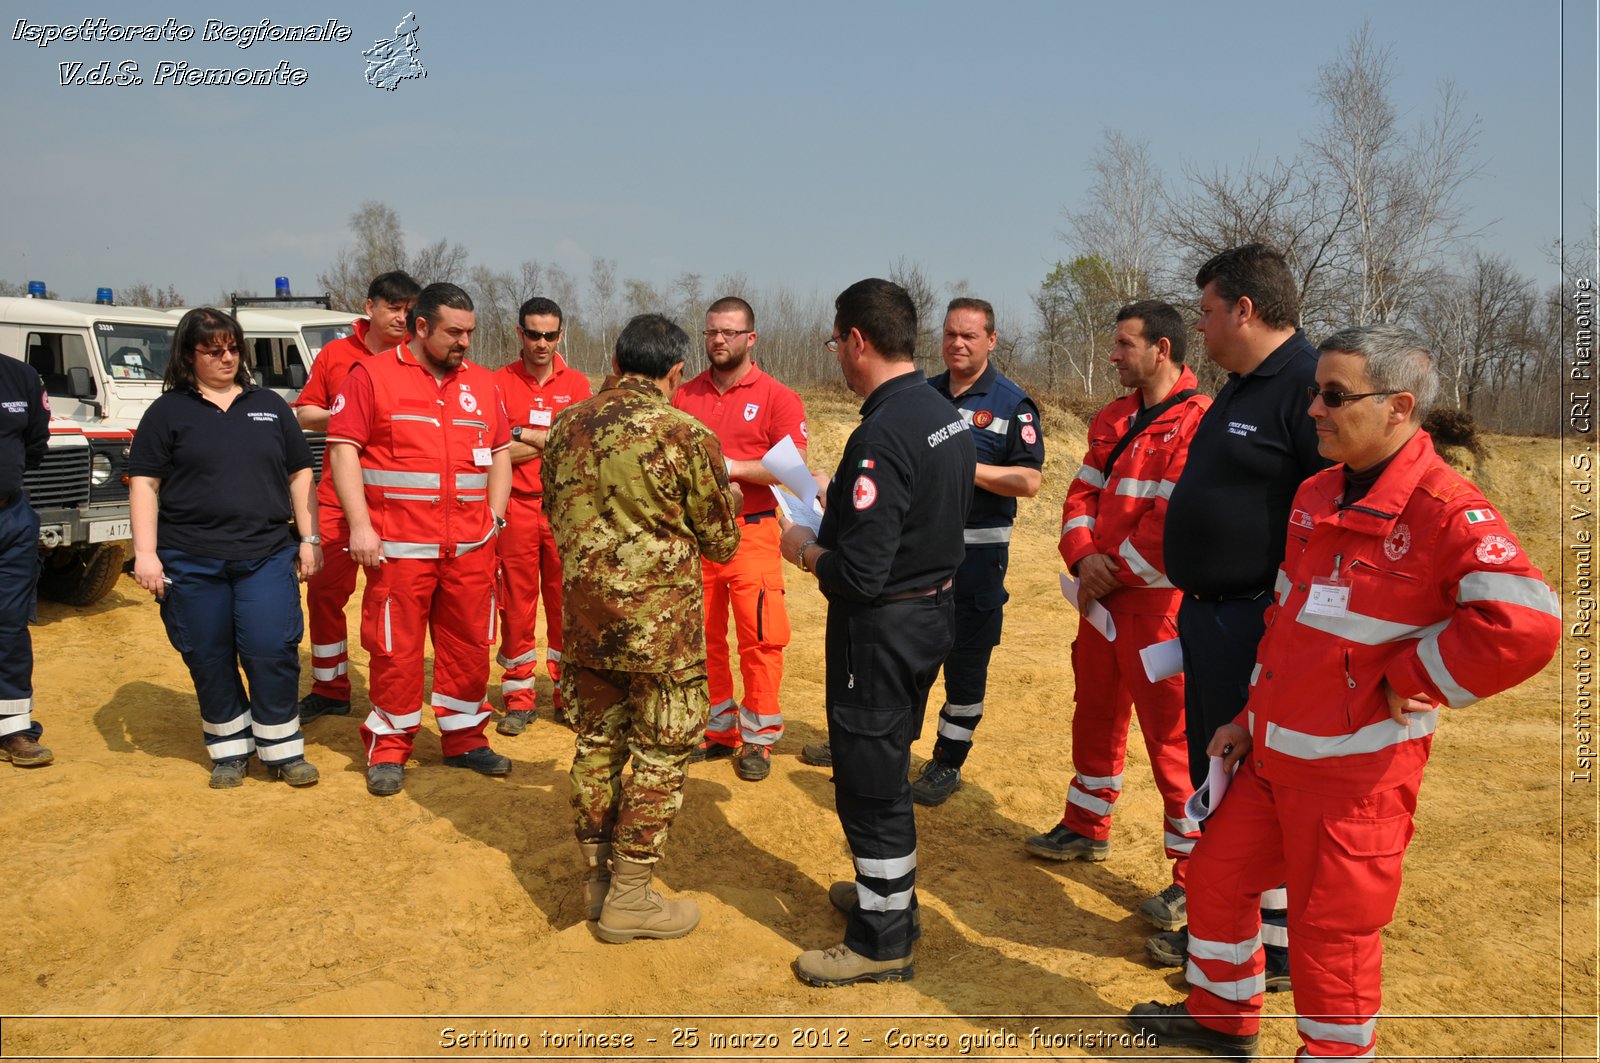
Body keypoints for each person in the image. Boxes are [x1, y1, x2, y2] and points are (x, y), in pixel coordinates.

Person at [1128, 324, 1560, 1060]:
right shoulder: (1316, 493)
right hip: (1272, 757)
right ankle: (1222, 1022)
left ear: (1397, 406)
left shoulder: (1444, 509)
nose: (1314, 410)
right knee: (1217, 877)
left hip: (1356, 780)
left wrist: (1414, 675)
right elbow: (1289, 624)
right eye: (1312, 393)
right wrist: (1248, 715)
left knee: (1331, 938)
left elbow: (1526, 623)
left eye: (1332, 395)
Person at [778, 278, 975, 986]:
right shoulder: (939, 411)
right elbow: (914, 512)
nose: (836, 354)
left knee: (869, 780)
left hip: (883, 627)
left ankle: (882, 936)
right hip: (929, 613)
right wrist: (849, 506)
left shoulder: (882, 431)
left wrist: (803, 545)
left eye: (836, 342)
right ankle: (887, 896)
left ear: (857, 340)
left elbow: (858, 573)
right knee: (885, 763)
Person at [1152, 243, 1331, 979]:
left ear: (1244, 311)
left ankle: (1266, 947)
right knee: (1219, 778)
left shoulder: (1307, 386)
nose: (1202, 325)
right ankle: (1239, 930)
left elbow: (1326, 521)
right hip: (1209, 616)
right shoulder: (1239, 383)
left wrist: (1280, 626)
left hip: (1257, 620)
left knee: (1251, 784)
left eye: (1207, 311)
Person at [542, 313, 741, 942]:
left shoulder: (565, 425)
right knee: (660, 752)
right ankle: (631, 897)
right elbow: (720, 542)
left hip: (585, 624)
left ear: (618, 359)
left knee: (596, 747)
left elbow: (556, 513)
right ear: (676, 371)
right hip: (661, 636)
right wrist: (729, 503)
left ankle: (597, 885)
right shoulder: (685, 433)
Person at [1027, 300, 1208, 930]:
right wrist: (1082, 558)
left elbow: (1174, 521)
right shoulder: (1112, 418)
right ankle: (1086, 824)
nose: (1113, 355)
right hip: (1100, 600)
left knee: (1175, 742)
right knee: (1095, 712)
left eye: (1124, 344)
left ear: (1162, 349)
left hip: (1158, 607)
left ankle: (1193, 878)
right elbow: (1080, 495)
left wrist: (1110, 569)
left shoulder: (1199, 423)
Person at [326, 283, 513, 797]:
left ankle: (464, 738)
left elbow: (499, 452)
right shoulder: (372, 376)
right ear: (422, 326)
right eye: (455, 332)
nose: (465, 343)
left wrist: (494, 519)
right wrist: (360, 525)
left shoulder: (484, 382)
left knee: (470, 647)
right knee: (395, 651)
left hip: (471, 550)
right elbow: (344, 450)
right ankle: (389, 745)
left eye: (470, 333)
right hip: (400, 550)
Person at [129, 308, 322, 788]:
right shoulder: (167, 412)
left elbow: (300, 472)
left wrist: (309, 538)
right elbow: (144, 484)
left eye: (233, 348)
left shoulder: (270, 406)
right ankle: (230, 750)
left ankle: (281, 749)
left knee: (270, 647)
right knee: (208, 654)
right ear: (188, 355)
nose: (226, 357)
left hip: (265, 554)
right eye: (213, 350)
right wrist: (146, 554)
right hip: (190, 559)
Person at [908, 297, 1043, 805]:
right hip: (919, 557)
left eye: (969, 335)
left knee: (966, 664)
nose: (957, 344)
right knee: (909, 655)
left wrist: (965, 468)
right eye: (949, 334)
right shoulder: (922, 396)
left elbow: (1029, 480)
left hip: (977, 563)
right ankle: (892, 745)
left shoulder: (1012, 404)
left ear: (991, 340)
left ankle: (947, 761)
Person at [673, 296, 809, 781]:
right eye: (711, 332)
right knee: (702, 638)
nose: (718, 341)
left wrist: (727, 467)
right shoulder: (685, 396)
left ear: (751, 338)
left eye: (729, 332)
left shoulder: (778, 397)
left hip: (752, 533)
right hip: (697, 538)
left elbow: (790, 471)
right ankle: (718, 729)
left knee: (760, 639)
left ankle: (758, 739)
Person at [293, 270, 420, 724]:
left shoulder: (419, 358)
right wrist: (350, 416)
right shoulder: (336, 355)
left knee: (394, 601)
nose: (403, 318)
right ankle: (331, 686)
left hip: (396, 504)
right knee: (325, 593)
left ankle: (394, 696)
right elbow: (305, 412)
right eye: (394, 308)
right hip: (336, 501)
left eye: (410, 310)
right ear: (370, 308)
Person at [492, 297, 592, 736]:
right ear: (519, 333)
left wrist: (519, 434)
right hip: (513, 506)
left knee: (566, 605)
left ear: (561, 335)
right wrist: (548, 437)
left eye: (550, 335)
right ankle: (518, 695)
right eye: (533, 334)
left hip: (563, 511)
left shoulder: (579, 385)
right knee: (515, 603)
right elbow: (492, 453)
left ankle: (566, 693)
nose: (542, 343)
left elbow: (579, 446)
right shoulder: (496, 383)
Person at [0, 353, 52, 768]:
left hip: (11, 517)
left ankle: (14, 729)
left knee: (10, 626)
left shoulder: (19, 377)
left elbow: (35, 442)